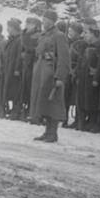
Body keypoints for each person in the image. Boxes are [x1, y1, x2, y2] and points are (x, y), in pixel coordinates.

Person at [29, 10, 70, 143]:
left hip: (51, 74)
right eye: (43, 19)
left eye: (47, 20)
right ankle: (47, 132)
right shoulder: (43, 35)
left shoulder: (59, 36)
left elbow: (64, 58)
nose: (44, 22)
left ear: (53, 21)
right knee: (44, 103)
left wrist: (59, 77)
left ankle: (53, 133)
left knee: (53, 103)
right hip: (41, 72)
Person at [75, 22, 100, 132]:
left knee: (93, 100)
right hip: (84, 77)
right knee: (84, 99)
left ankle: (94, 122)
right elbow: (81, 61)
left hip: (92, 78)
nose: (84, 35)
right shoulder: (85, 46)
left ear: (93, 34)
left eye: (87, 33)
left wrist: (96, 77)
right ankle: (84, 121)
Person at [63, 22, 86, 128]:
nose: (70, 33)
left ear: (77, 33)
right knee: (66, 96)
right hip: (67, 71)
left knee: (76, 97)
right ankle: (64, 118)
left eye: (72, 31)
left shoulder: (81, 44)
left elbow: (80, 59)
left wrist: (74, 71)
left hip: (76, 72)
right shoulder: (68, 42)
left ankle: (77, 120)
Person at [1, 18, 24, 120]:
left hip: (14, 70)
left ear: (14, 28)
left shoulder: (19, 40)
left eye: (9, 27)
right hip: (8, 68)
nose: (7, 29)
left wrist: (17, 69)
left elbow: (19, 55)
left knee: (15, 91)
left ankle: (16, 111)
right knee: (9, 90)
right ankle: (9, 110)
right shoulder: (12, 40)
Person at [20, 17, 41, 122]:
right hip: (25, 64)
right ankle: (25, 109)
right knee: (25, 88)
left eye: (30, 24)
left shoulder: (37, 36)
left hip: (33, 64)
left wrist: (27, 51)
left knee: (31, 88)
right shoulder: (25, 35)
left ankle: (31, 111)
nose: (27, 25)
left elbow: (35, 49)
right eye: (26, 23)